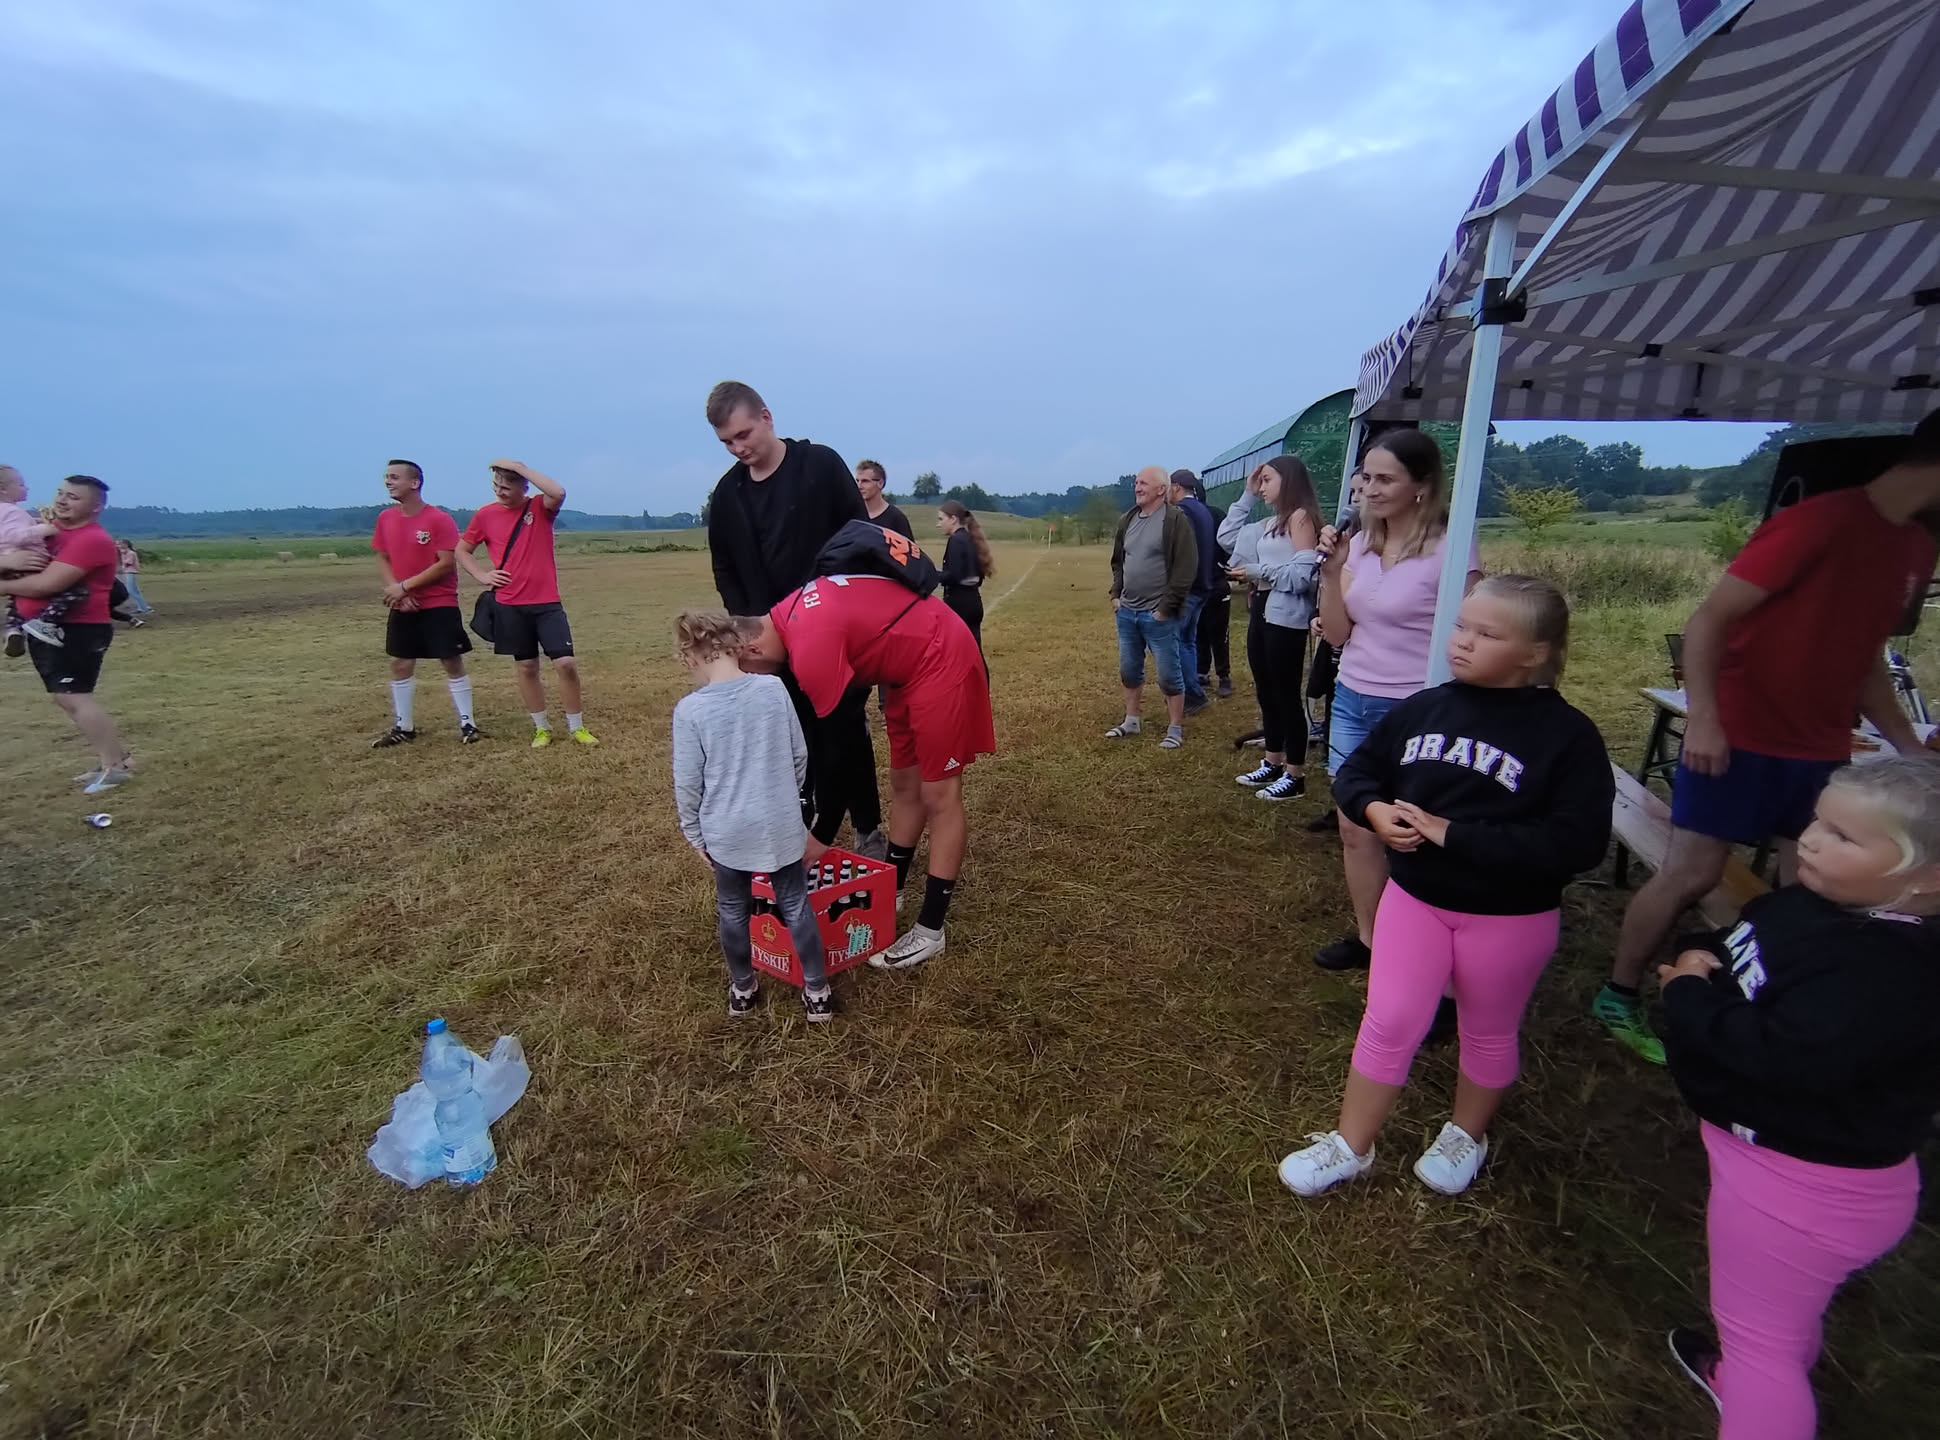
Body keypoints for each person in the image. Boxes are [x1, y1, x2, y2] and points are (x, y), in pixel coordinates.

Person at [1595, 413, 1940, 1064]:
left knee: (1812, 887)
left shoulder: (1916, 548)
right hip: (1739, 737)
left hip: (1822, 748)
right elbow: (1709, 621)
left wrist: (1908, 745)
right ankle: (1619, 991)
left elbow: (1866, 657)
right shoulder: (1822, 521)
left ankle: (1765, 1004)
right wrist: (1705, 718)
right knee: (1693, 872)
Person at [1277, 577, 1613, 1198]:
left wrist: (1454, 835)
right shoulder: (1426, 708)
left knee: (1487, 1029)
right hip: (1416, 901)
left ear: (1535, 653)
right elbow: (1358, 772)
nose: (1462, 641)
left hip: (1511, 917)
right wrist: (1374, 810)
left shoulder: (1568, 737)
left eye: (1487, 634)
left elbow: (1577, 843)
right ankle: (1351, 1144)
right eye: (1461, 626)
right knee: (1389, 1019)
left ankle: (1466, 1134)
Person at [1657, 756, 1940, 1440]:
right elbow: (1741, 941)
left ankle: (1757, 1395)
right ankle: (1752, 1378)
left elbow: (1778, 1056)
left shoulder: (1887, 974)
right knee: (1776, 1324)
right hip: (1789, 1175)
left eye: (1843, 837)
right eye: (1817, 820)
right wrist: (1697, 953)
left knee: (1762, 1348)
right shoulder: (1820, 904)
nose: (1809, 840)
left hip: (1803, 1188)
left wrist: (1688, 994)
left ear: (1928, 878)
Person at [736, 571, 995, 971]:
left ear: (753, 649)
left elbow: (840, 750)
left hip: (940, 655)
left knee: (939, 795)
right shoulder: (787, 615)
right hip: (904, 671)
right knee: (905, 784)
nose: (754, 677)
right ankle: (891, 888)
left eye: (747, 669)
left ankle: (930, 930)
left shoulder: (808, 645)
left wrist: (821, 835)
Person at [1312, 429, 1483, 972]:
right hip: (1352, 696)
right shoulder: (1361, 543)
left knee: (1413, 831)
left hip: (1419, 707)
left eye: (1385, 479)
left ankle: (1424, 949)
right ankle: (1372, 940)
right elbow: (1338, 634)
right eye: (1366, 477)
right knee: (1354, 824)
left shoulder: (1452, 546)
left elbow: (1473, 632)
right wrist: (1331, 573)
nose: (1370, 488)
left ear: (1421, 485)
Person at [705, 381, 884, 858]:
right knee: (795, 735)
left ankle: (867, 827)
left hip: (833, 633)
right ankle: (802, 825)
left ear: (766, 417)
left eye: (743, 434)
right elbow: (724, 566)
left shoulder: (820, 466)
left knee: (845, 727)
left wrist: (836, 609)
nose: (738, 448)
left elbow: (860, 539)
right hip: (770, 642)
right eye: (727, 442)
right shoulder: (727, 496)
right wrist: (749, 624)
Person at [673, 609, 836, 1023]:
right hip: (780, 824)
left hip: (726, 831)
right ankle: (817, 991)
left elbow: (688, 783)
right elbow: (799, 755)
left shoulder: (690, 711)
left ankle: (743, 988)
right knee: (796, 904)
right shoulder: (773, 689)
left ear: (690, 657)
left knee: (733, 908)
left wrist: (694, 834)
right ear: (737, 646)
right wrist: (786, 800)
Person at [0, 475, 135, 795]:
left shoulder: (91, 539)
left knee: (75, 697)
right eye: (61, 493)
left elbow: (45, 585)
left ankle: (114, 769)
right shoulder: (49, 532)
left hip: (76, 629)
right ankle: (117, 759)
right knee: (67, 697)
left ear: (96, 507)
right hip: (45, 628)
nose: (62, 500)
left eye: (73, 497)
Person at [456, 459, 596, 748]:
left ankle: (577, 727)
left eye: (507, 486)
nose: (500, 491)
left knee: (566, 664)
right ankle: (542, 728)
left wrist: (520, 468)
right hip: (510, 604)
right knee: (527, 667)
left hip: (547, 604)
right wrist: (482, 575)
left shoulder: (539, 508)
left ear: (524, 486)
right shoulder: (485, 515)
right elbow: (462, 550)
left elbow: (558, 492)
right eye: (496, 485)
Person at [1221, 455, 1322, 802]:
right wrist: (1247, 495)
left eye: (1267, 481)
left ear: (1288, 480)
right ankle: (1273, 761)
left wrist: (1257, 571)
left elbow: (1303, 575)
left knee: (1286, 694)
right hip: (1263, 608)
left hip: (1286, 615)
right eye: (1260, 481)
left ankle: (1295, 775)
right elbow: (1228, 537)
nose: (1262, 487)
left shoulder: (1301, 517)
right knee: (1266, 690)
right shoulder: (1272, 521)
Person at [370, 460, 483, 748]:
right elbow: (382, 556)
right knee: (401, 662)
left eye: (394, 477)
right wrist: (398, 592)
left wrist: (405, 587)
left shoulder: (438, 519)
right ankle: (404, 727)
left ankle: (468, 723)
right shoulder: (385, 518)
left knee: (451, 659)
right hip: (403, 603)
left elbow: (445, 563)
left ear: (415, 483)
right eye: (386, 477)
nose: (388, 481)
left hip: (438, 603)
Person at [1105, 465, 1198, 749]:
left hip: (1158, 615)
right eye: (1136, 482)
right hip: (1127, 612)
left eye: (1143, 483)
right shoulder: (1128, 519)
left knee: (1169, 674)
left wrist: (1165, 609)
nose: (1137, 487)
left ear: (1161, 489)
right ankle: (1131, 721)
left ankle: (1175, 728)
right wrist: (1116, 595)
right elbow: (1118, 561)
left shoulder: (1175, 520)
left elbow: (1186, 567)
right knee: (1129, 670)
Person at [0, 465, 92, 654]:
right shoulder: (13, 512)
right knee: (77, 590)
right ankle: (45, 621)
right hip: (28, 562)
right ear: (3, 489)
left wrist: (34, 523)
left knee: (17, 600)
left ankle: (12, 630)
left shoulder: (6, 512)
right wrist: (44, 530)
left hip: (10, 565)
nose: (26, 488)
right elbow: (14, 536)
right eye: (21, 484)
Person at [1168, 469, 1219, 716]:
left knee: (1174, 643)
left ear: (1176, 486)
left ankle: (1191, 695)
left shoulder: (1183, 512)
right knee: (1187, 642)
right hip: (1203, 586)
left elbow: (1180, 551)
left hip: (1187, 589)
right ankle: (1193, 691)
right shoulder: (1203, 510)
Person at [935, 500, 993, 652]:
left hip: (960, 605)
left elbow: (953, 576)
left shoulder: (956, 540)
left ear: (953, 519)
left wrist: (932, 574)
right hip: (973, 601)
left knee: (958, 653)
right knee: (973, 653)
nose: (938, 524)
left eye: (941, 519)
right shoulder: (968, 538)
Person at [1197, 495, 1235, 700]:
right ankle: (1201, 672)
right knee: (1199, 631)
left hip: (1217, 584)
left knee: (1219, 634)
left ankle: (1224, 676)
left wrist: (1223, 566)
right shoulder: (1185, 515)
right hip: (1196, 586)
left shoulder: (1216, 515)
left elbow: (1228, 543)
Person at [856, 460, 913, 540]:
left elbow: (908, 547)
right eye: (857, 481)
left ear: (880, 483)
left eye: (865, 481)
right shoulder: (853, 516)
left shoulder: (896, 518)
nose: (859, 486)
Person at [114, 540, 151, 624]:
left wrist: (122, 564)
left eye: (121, 544)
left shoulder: (130, 553)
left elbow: (129, 562)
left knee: (130, 591)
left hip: (130, 572)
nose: (119, 545)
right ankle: (142, 607)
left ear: (126, 545)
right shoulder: (127, 552)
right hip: (129, 572)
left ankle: (144, 607)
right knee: (135, 591)